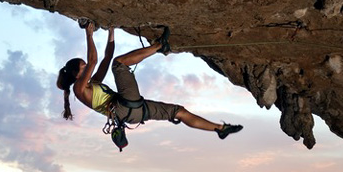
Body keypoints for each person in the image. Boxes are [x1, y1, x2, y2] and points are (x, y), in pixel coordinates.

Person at [56, 22, 243, 139]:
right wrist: (88, 35)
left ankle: (219, 128)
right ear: (75, 75)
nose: (87, 68)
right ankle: (160, 46)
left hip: (134, 112)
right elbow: (94, 60)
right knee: (119, 65)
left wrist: (111, 30)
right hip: (123, 107)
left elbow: (106, 57)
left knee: (179, 112)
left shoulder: (93, 83)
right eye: (82, 67)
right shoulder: (79, 90)